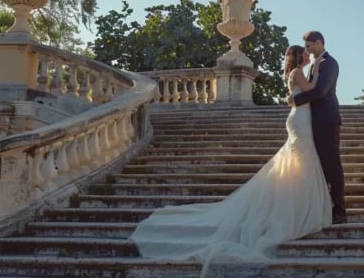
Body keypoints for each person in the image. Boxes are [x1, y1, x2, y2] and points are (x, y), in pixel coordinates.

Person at [128, 45, 332, 276]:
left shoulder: (297, 73)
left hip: (301, 118)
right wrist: (317, 70)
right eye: (304, 52)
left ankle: (298, 201)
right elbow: (314, 90)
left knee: (298, 162)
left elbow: (303, 94)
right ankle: (299, 206)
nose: (307, 54)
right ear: (298, 56)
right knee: (300, 159)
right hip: (300, 120)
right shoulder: (297, 72)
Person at [287, 31, 346, 224]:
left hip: (327, 120)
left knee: (331, 165)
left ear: (319, 43)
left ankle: (340, 210)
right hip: (312, 121)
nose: (306, 50)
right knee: (318, 166)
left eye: (309, 46)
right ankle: (322, 207)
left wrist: (295, 100)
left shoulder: (330, 63)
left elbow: (320, 92)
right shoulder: (314, 65)